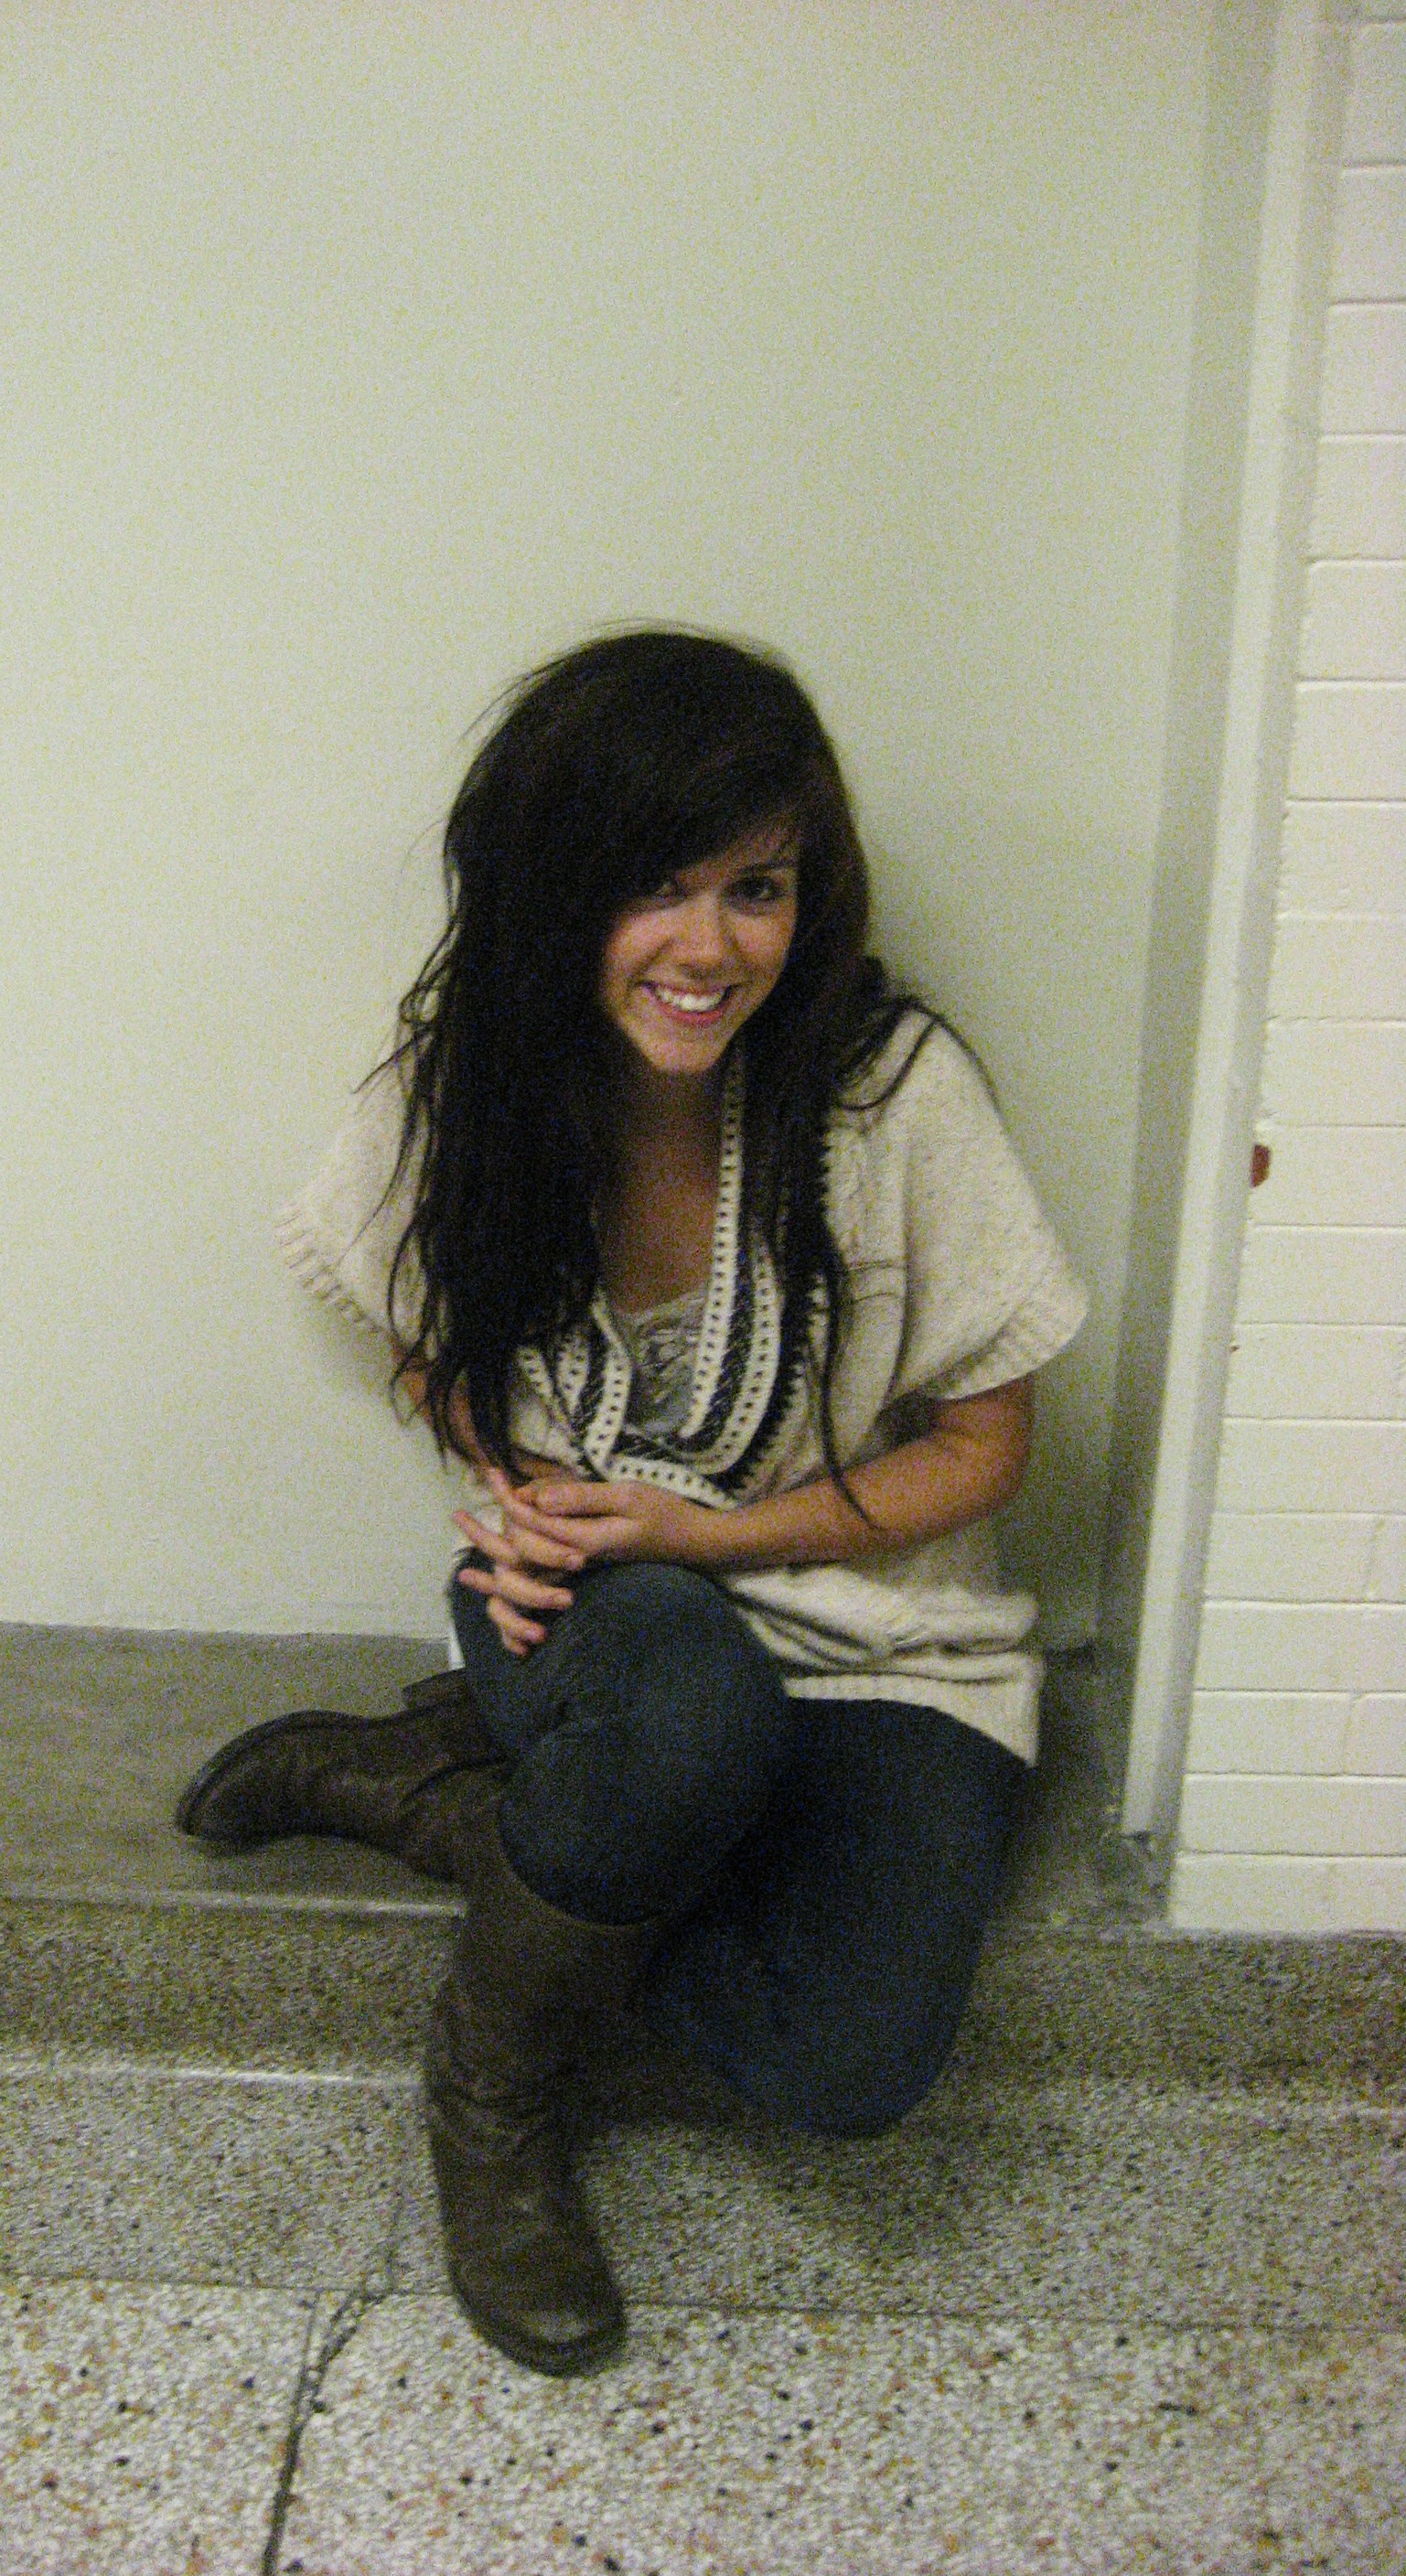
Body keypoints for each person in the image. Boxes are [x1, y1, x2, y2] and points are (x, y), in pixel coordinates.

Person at [177, 630, 1086, 2377]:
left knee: (850, 2066)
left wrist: (707, 1534)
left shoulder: (889, 1091)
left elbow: (987, 1446)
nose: (708, 947)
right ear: (553, 888)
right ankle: (493, 2108)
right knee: (683, 1710)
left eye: (757, 889)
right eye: (652, 887)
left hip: (881, 1632)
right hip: (599, 1614)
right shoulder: (469, 1078)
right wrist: (515, 1489)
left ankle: (446, 1805)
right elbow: (410, 1324)